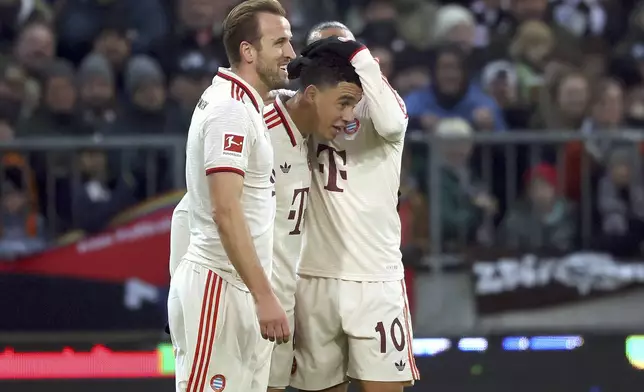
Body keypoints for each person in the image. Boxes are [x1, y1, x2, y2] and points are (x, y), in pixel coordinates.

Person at [166, 2, 296, 392]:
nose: (291, 52)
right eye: (281, 42)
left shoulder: (245, 103)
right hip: (219, 288)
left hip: (236, 289)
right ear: (248, 51)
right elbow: (225, 211)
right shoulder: (231, 111)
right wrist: (265, 296)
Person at [291, 26, 420, 392]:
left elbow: (393, 124)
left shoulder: (382, 106)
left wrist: (357, 54)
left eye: (342, 52)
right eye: (324, 54)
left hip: (375, 278)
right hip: (313, 275)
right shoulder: (302, 104)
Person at [264, 53, 364, 392]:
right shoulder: (254, 127)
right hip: (245, 299)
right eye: (343, 104)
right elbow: (205, 211)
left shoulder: (308, 132)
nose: (348, 118)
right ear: (310, 94)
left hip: (281, 298)